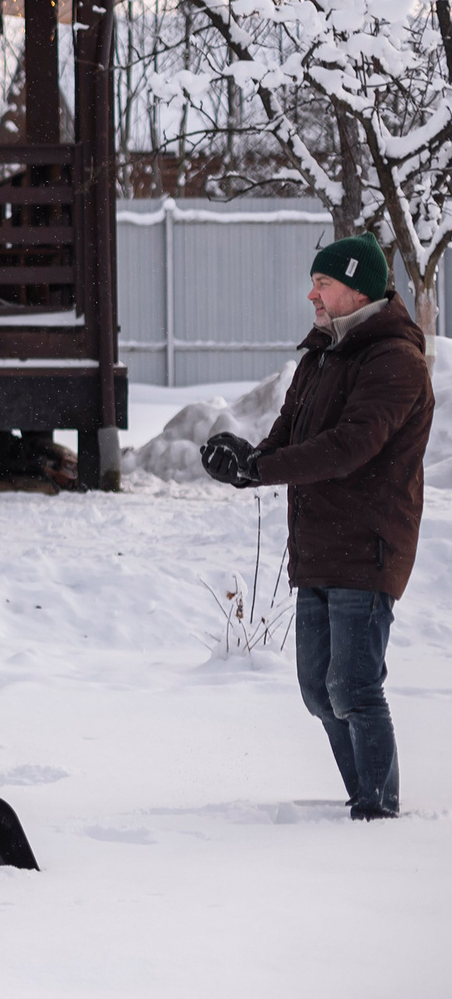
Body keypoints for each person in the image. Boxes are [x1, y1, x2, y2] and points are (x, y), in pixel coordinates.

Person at [202, 234, 433, 821]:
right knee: (317, 690)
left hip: (369, 545)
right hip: (318, 544)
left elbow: (349, 447)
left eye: (323, 284)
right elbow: (288, 436)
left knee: (353, 687)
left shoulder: (395, 361)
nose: (312, 295)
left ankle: (377, 812)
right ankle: (365, 797)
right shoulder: (321, 356)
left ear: (357, 290)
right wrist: (245, 464)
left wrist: (263, 468)